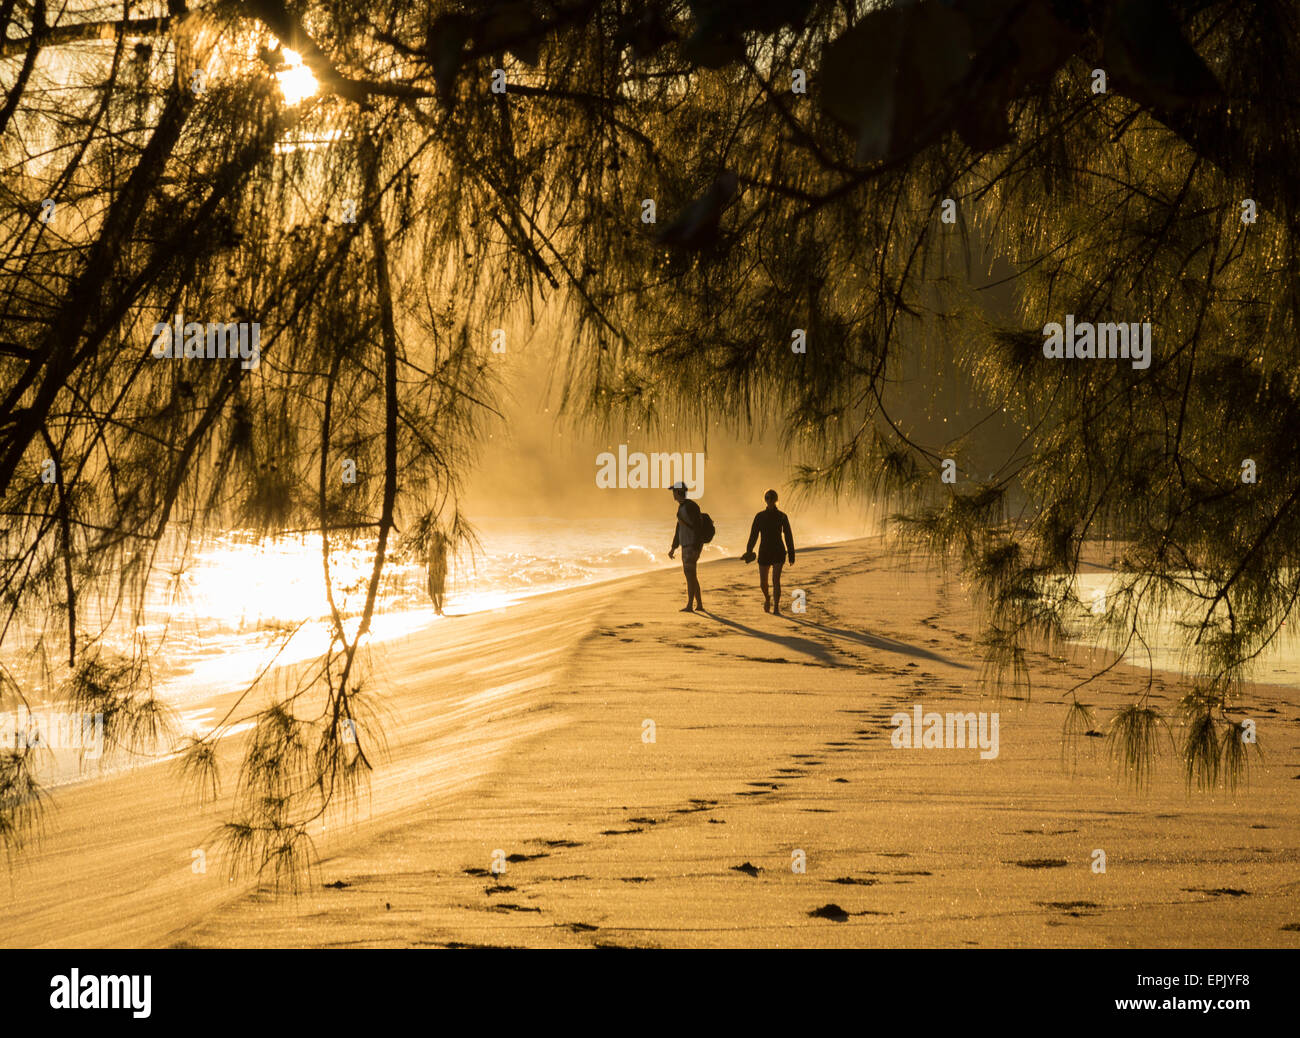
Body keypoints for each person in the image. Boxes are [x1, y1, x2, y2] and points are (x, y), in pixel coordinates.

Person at [743, 489, 795, 615]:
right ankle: (767, 598)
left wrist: (791, 554)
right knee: (763, 583)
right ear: (765, 500)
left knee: (776, 580)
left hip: (778, 550)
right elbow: (753, 535)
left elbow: (788, 535)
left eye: (772, 498)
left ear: (776, 500)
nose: (769, 500)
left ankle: (776, 607)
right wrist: (749, 550)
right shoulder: (760, 516)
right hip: (764, 550)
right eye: (767, 497)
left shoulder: (782, 516)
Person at [667, 482, 704, 612]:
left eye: (674, 492)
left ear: (679, 492)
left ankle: (690, 605)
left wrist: (696, 546)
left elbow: (698, 527)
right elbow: (679, 529)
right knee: (691, 575)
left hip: (691, 545)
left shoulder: (690, 507)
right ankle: (699, 604)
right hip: (687, 545)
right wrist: (673, 547)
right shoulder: (683, 507)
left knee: (690, 575)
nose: (673, 494)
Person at [426, 526, 448, 616]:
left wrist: (429, 560)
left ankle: (438, 608)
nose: (432, 539)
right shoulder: (433, 548)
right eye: (432, 538)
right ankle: (437, 608)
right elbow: (434, 559)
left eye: (434, 537)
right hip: (434, 570)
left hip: (438, 571)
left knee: (437, 591)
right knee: (433, 591)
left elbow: (440, 559)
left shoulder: (442, 548)